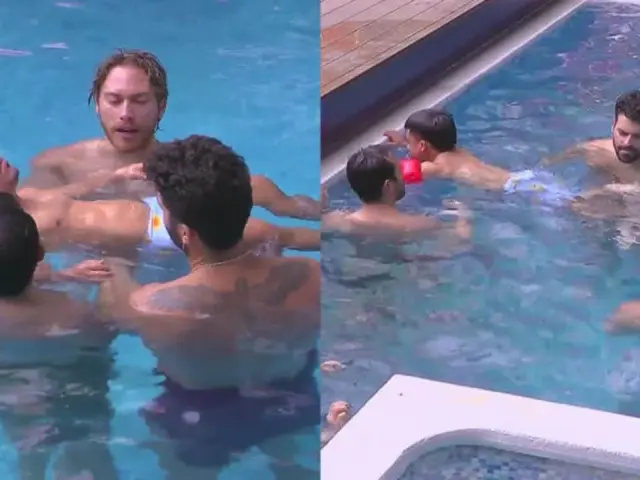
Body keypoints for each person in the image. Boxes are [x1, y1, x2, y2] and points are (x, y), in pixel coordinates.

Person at [97, 135, 320, 474]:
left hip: (200, 422)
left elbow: (108, 315)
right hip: (291, 402)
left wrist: (114, 258)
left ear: (186, 232)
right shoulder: (311, 275)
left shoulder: (151, 305)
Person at [24, 49, 321, 220]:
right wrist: (103, 182)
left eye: (140, 101)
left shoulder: (188, 168)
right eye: (114, 100)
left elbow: (285, 203)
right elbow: (21, 216)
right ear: (97, 105)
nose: (126, 113)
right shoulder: (58, 164)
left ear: (161, 107)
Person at [0, 161, 118, 479]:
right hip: (65, 383)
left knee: (28, 449)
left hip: (11, 391)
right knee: (89, 445)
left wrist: (62, 275)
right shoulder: (70, 310)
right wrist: (112, 286)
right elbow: (104, 334)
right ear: (40, 255)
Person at [10, 156, 320, 255]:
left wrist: (115, 176)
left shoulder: (30, 192)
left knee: (259, 184)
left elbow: (76, 190)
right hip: (157, 230)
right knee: (270, 233)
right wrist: (67, 276)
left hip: (155, 202)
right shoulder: (15, 226)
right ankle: (333, 236)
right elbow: (19, 270)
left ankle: (314, 210)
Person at [384, 108, 573, 203]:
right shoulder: (458, 152)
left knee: (574, 207)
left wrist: (387, 151)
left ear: (422, 146)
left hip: (520, 189)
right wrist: (404, 143)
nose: (407, 146)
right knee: (575, 201)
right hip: (526, 177)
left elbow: (392, 174)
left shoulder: (436, 167)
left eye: (409, 142)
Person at [323, 145, 472, 240]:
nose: (404, 177)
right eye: (400, 171)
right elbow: (461, 241)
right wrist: (463, 215)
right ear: (388, 186)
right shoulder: (419, 224)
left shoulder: (338, 221)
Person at [544, 90, 640, 183]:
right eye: (622, 133)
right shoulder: (595, 150)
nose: (627, 142)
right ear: (613, 125)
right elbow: (545, 167)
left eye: (637, 136)